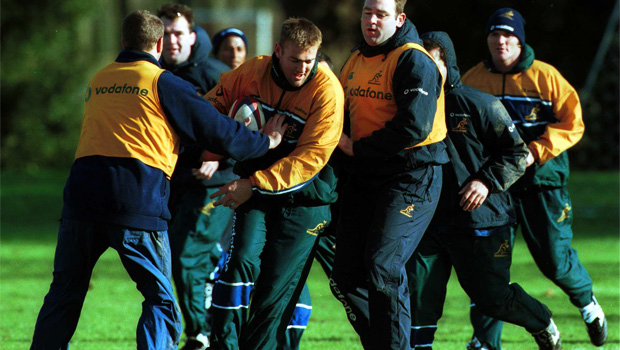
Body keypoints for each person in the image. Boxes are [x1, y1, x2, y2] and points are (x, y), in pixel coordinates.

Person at [29, 10, 286, 350]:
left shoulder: (99, 79)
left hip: (80, 200)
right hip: (134, 200)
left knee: (63, 294)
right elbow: (218, 131)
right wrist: (265, 142)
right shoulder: (162, 81)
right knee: (160, 300)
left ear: (123, 42)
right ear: (160, 43)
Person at [461, 8, 607, 349]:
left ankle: (587, 303)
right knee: (488, 265)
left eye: (508, 35)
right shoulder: (473, 79)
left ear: (520, 40)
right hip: (496, 186)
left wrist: (536, 151)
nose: (501, 41)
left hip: (541, 183)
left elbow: (574, 123)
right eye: (495, 34)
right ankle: (484, 341)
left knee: (555, 262)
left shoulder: (546, 77)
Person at [407, 31, 562, 350]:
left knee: (492, 299)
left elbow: (517, 154)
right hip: (429, 222)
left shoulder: (479, 104)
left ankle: (541, 321)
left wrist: (485, 181)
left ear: (447, 63)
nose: (427, 70)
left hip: (482, 221)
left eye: (433, 62)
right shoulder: (409, 107)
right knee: (418, 303)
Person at [204, 17, 344, 350]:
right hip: (256, 191)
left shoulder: (327, 91)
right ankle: (222, 344)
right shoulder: (253, 71)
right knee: (239, 261)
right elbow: (213, 106)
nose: (302, 68)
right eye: (295, 59)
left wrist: (252, 183)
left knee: (274, 287)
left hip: (306, 200)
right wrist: (214, 147)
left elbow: (309, 160)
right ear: (278, 51)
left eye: (309, 61)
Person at [329, 0, 448, 349]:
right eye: (367, 12)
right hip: (365, 177)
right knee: (345, 276)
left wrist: (358, 148)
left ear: (399, 19)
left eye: (381, 14)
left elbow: (413, 126)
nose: (371, 20)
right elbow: (342, 116)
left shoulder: (414, 60)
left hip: (412, 177)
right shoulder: (354, 59)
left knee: (383, 268)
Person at [156, 4, 235, 350]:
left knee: (187, 254)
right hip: (172, 182)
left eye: (177, 33)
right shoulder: (152, 74)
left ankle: (200, 334)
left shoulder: (216, 75)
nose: (171, 40)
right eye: (165, 34)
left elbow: (245, 123)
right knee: (173, 256)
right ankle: (201, 323)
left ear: (191, 35)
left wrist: (218, 158)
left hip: (215, 183)